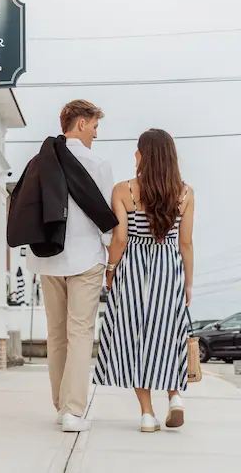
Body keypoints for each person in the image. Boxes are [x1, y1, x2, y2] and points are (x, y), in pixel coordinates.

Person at [10, 99, 116, 433]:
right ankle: (73, 411)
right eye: (95, 126)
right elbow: (108, 222)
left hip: (47, 258)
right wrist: (111, 257)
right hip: (85, 259)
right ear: (81, 122)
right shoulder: (98, 163)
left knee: (56, 334)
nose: (96, 135)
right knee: (80, 332)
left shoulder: (39, 162)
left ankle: (61, 406)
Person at [94, 129, 194, 433]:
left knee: (135, 339)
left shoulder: (124, 190)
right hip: (168, 269)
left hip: (133, 270)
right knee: (168, 335)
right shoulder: (185, 193)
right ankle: (175, 397)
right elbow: (186, 243)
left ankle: (147, 414)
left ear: (142, 155)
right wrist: (188, 283)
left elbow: (121, 238)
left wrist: (110, 270)